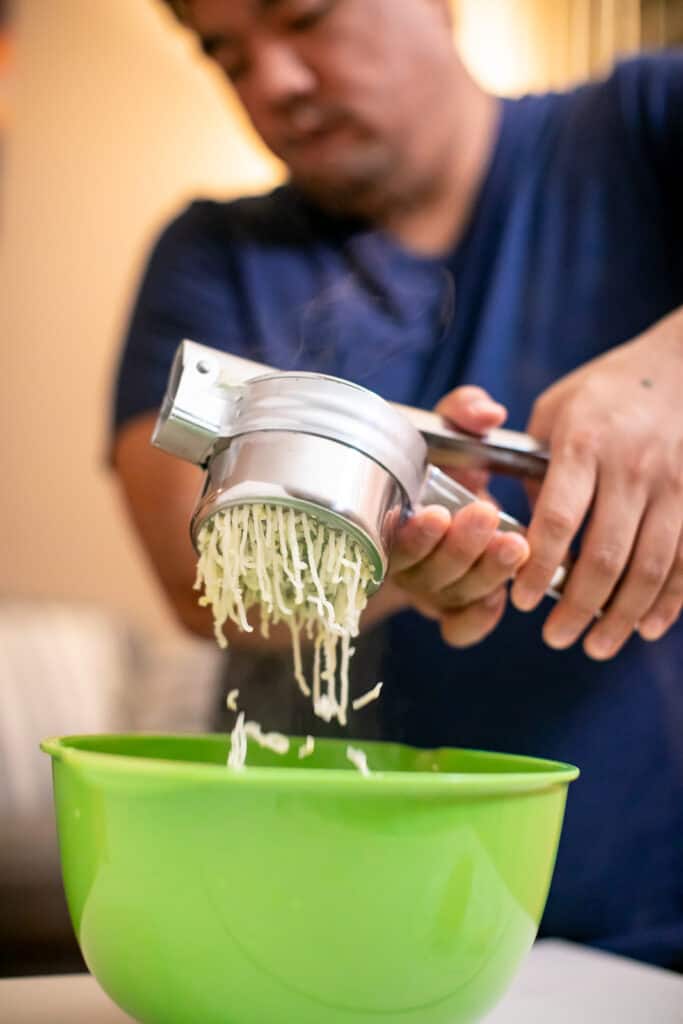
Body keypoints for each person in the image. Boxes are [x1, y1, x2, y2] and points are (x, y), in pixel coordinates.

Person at [112, 0, 683, 970]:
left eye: (303, 16)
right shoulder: (213, 255)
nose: (273, 84)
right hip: (334, 918)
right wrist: (387, 560)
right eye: (224, 53)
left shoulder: (639, 123)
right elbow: (193, 571)